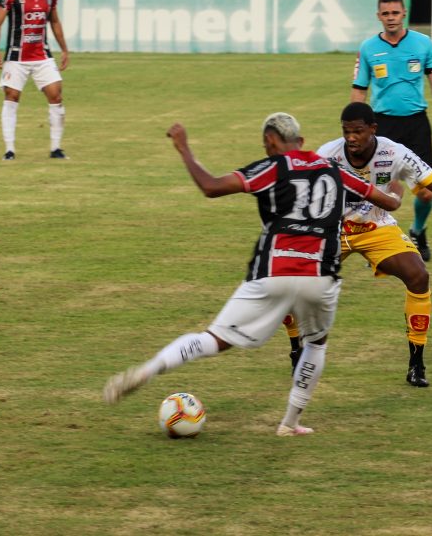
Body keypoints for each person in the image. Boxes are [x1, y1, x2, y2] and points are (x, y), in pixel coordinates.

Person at [103, 113, 402, 437]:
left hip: (274, 272)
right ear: (300, 142)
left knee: (213, 339)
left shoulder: (273, 167)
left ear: (270, 142)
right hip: (320, 275)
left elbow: (211, 187)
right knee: (316, 343)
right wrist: (397, 188)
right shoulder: (334, 169)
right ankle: (290, 423)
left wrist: (184, 149)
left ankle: (147, 371)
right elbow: (387, 201)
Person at [285, 102, 432, 388]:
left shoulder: (394, 153)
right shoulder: (327, 154)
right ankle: (296, 349)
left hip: (375, 227)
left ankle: (416, 362)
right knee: (289, 279)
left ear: (373, 130)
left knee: (418, 275)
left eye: (358, 131)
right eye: (346, 131)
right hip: (331, 230)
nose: (351, 137)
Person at [352, 0, 432, 262]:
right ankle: (373, 242)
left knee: (427, 193)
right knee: (378, 191)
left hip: (416, 125)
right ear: (378, 16)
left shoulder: (423, 44)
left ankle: (418, 231)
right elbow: (359, 90)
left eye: (395, 13)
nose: (391, 18)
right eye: (385, 14)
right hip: (382, 128)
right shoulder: (369, 48)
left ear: (404, 13)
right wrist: (353, 130)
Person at [0, 0, 69, 161]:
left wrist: (64, 49)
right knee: (11, 98)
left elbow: (55, 22)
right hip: (16, 57)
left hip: (42, 56)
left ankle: (56, 148)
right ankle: (9, 150)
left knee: (56, 97)